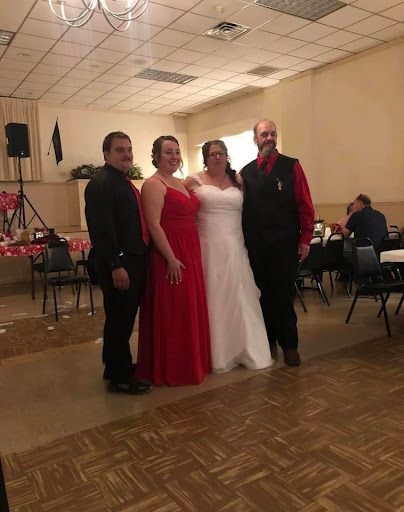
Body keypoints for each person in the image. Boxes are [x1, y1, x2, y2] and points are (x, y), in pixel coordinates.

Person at [183, 140, 273, 373]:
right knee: (213, 296)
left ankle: (246, 348)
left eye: (221, 153)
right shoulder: (193, 181)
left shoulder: (239, 181)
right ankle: (215, 353)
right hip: (207, 247)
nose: (217, 157)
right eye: (212, 154)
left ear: (226, 155)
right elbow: (180, 207)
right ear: (205, 158)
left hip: (235, 246)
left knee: (239, 296)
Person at [136, 136, 211, 386]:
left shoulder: (179, 182)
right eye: (168, 152)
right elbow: (153, 225)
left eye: (177, 152)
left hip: (190, 249)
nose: (174, 156)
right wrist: (170, 257)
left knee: (188, 308)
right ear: (156, 156)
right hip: (170, 253)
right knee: (175, 310)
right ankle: (175, 367)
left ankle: (191, 362)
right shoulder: (153, 184)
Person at [241, 119, 315, 366]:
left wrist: (305, 239)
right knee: (260, 294)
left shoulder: (291, 166)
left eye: (273, 134)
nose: (270, 138)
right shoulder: (245, 172)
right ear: (256, 139)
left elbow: (305, 204)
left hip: (284, 243)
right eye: (265, 134)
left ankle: (289, 345)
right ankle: (267, 341)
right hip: (255, 246)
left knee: (282, 295)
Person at [85, 131, 151, 395]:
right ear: (106, 154)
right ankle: (121, 378)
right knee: (120, 320)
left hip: (130, 260)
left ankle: (114, 366)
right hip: (120, 263)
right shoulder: (101, 184)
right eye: (120, 150)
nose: (127, 154)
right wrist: (116, 265)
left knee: (120, 318)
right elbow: (101, 230)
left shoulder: (122, 181)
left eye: (129, 149)